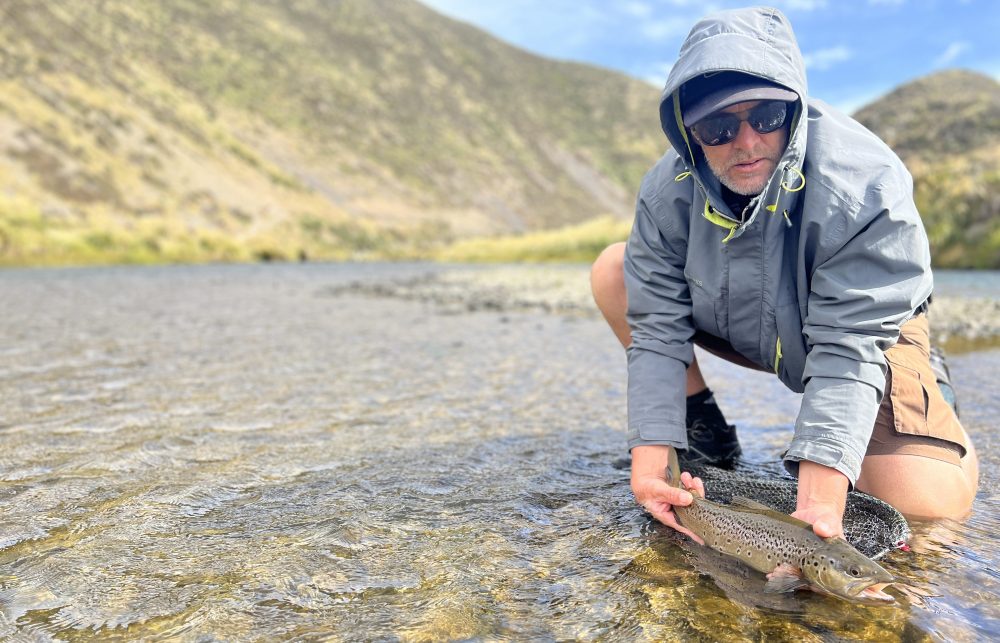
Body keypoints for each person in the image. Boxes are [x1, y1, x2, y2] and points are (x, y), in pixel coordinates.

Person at [590, 6, 979, 542]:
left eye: (767, 117)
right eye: (719, 126)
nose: (746, 142)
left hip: (864, 335)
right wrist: (651, 456)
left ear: (793, 108)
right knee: (615, 269)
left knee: (925, 505)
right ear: (689, 132)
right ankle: (703, 429)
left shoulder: (866, 185)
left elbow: (846, 346)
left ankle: (928, 387)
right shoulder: (665, 191)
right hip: (753, 318)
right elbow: (656, 329)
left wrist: (818, 500)